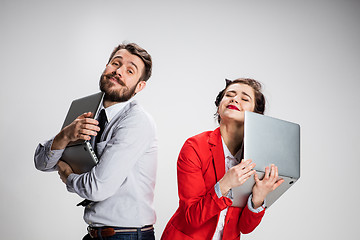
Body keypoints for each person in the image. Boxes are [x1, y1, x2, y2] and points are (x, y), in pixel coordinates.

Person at [34, 42, 157, 240]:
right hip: (95, 234)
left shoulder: (136, 121)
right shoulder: (87, 110)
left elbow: (97, 188)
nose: (118, 72)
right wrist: (65, 136)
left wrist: (68, 176)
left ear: (139, 86)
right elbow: (41, 162)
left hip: (127, 236)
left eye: (130, 71)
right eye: (115, 63)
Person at [161, 78, 284, 240]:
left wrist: (258, 198)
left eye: (245, 98)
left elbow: (245, 228)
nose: (234, 99)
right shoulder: (195, 146)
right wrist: (225, 184)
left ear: (256, 115)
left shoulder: (258, 157)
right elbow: (192, 217)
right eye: (229, 95)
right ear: (219, 108)